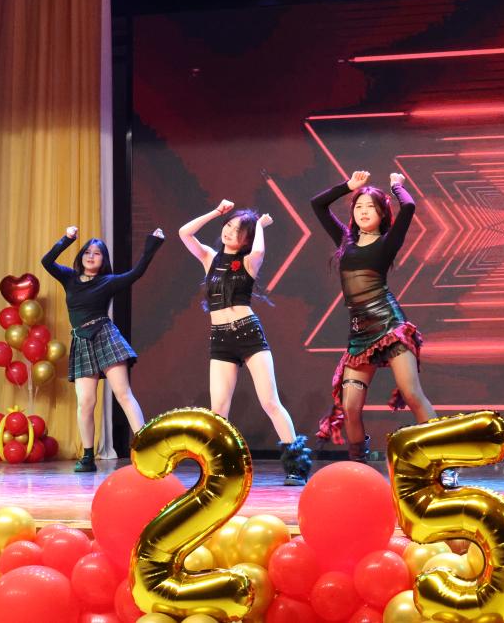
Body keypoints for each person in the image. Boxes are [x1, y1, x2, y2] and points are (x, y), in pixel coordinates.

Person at [312, 171, 457, 487]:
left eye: (371, 207)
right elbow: (317, 205)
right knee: (350, 406)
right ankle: (358, 470)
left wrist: (397, 186)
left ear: (382, 214)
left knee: (412, 394)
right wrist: (347, 187)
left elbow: (409, 207)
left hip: (390, 327)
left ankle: (444, 463)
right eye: (358, 206)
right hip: (359, 335)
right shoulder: (345, 241)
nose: (363, 211)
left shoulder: (387, 242)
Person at [178, 200, 311, 485]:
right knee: (218, 408)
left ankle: (296, 466)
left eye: (239, 231)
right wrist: (216, 212)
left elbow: (259, 250)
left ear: (246, 240)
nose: (229, 231)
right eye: (228, 226)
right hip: (221, 338)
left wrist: (259, 226)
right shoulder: (209, 257)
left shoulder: (250, 261)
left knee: (270, 402)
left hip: (248, 333)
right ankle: (219, 467)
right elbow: (184, 233)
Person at [41, 225, 164, 472]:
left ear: (103, 260)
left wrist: (153, 243)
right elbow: (46, 262)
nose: (91, 256)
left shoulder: (108, 281)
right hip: (81, 340)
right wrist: (67, 238)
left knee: (123, 394)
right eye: (87, 252)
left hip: (105, 336)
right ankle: (87, 456)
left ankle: (145, 448)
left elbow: (137, 272)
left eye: (97, 253)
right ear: (81, 256)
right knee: (85, 402)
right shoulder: (69, 278)